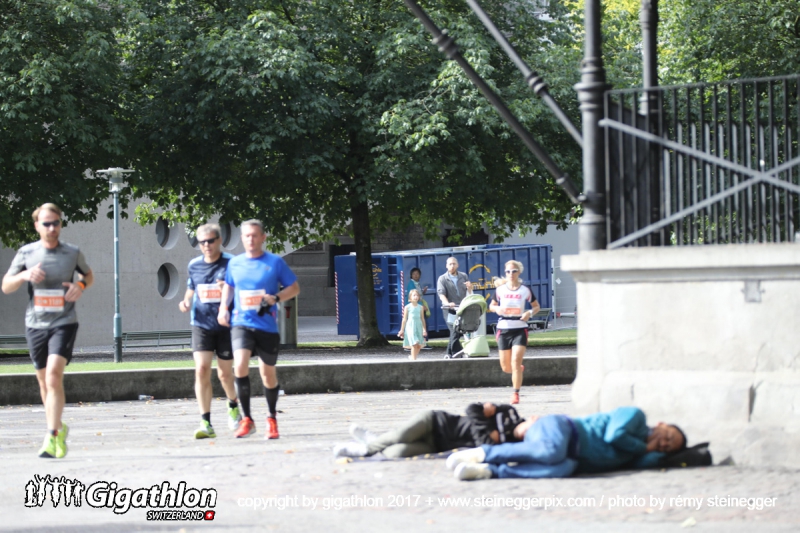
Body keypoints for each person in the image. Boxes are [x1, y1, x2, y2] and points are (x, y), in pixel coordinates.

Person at [1, 203, 93, 458]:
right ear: (37, 226)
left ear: (60, 224)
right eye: (46, 223)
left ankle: (51, 437)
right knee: (43, 381)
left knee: (53, 376)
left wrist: (80, 286)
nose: (52, 228)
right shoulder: (26, 253)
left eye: (56, 223)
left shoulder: (72, 253)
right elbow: (6, 286)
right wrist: (24, 276)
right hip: (35, 324)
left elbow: (88, 275)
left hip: (64, 322)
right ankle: (58, 427)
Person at [218, 219, 300, 440]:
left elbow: (294, 288)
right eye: (247, 236)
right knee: (240, 365)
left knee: (267, 375)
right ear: (242, 238)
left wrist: (276, 298)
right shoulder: (235, 263)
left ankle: (271, 418)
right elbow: (229, 286)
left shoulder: (274, 262)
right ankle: (247, 419)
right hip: (241, 323)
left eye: (255, 235)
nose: (251, 239)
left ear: (263, 237)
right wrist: (224, 308)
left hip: (266, 326)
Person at [445, 406, 688, 480]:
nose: (665, 443)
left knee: (561, 468)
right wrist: (645, 447)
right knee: (552, 451)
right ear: (662, 423)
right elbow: (614, 435)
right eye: (669, 436)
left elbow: (647, 462)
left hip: (570, 457)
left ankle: (488, 471)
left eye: (669, 446)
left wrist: (662, 456)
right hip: (562, 429)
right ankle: (482, 454)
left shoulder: (638, 454)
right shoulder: (636, 417)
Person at [179, 223, 241, 439]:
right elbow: (191, 288)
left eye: (210, 241)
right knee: (201, 369)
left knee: (224, 374)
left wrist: (229, 289)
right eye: (202, 242)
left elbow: (243, 288)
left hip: (226, 325)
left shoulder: (232, 263)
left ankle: (233, 405)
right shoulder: (194, 265)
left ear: (219, 241)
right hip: (201, 324)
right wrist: (186, 301)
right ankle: (205, 422)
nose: (206, 245)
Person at [332, 402, 524, 459]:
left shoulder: (512, 443)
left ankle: (374, 440)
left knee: (396, 452)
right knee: (401, 435)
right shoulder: (508, 412)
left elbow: (484, 447)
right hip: (435, 421)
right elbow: (472, 409)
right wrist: (487, 431)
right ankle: (366, 449)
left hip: (438, 444)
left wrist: (482, 425)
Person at [490, 260, 539, 405]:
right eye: (508, 271)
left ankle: (515, 393)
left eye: (514, 271)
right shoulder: (500, 290)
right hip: (504, 328)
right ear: (505, 273)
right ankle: (517, 369)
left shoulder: (525, 290)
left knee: (516, 361)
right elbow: (491, 306)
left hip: (520, 328)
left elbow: (536, 306)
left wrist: (529, 313)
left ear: (519, 272)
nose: (511, 274)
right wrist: (497, 309)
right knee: (506, 367)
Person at [437, 257, 473, 358]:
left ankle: (449, 354)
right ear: (446, 266)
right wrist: (448, 303)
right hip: (449, 310)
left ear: (457, 265)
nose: (452, 266)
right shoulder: (442, 279)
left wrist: (470, 288)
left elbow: (469, 292)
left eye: (454, 264)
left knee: (457, 331)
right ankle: (458, 353)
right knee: (454, 330)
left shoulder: (463, 276)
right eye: (450, 264)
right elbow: (441, 294)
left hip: (461, 308)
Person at [398, 289, 426, 360]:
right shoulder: (407, 307)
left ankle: (412, 357)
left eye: (417, 295)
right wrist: (402, 330)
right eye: (414, 295)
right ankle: (414, 360)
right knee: (414, 343)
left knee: (419, 345)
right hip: (410, 327)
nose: (416, 297)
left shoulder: (421, 307)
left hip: (418, 326)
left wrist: (424, 330)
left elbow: (422, 319)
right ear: (410, 297)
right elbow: (404, 319)